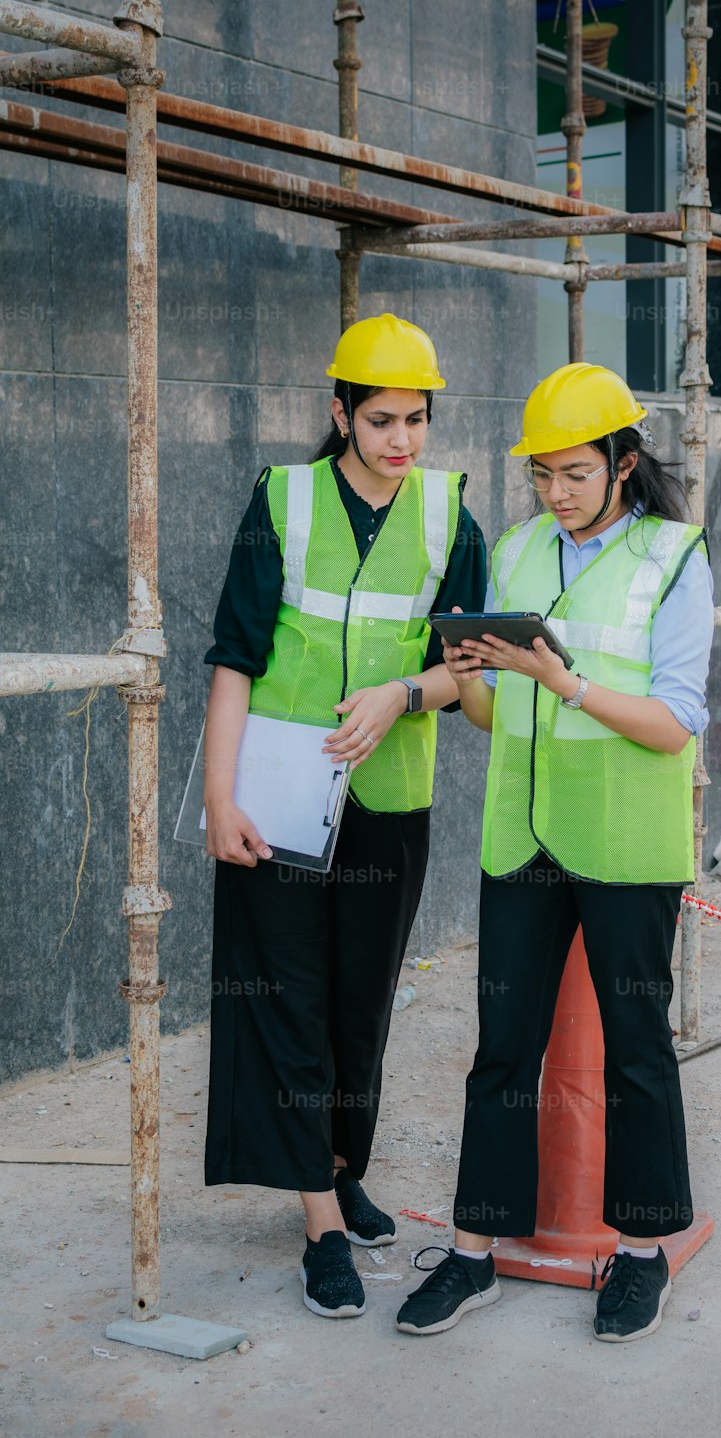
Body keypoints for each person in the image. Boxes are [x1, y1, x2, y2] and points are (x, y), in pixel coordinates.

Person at [396, 362, 714, 1343]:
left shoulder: (675, 555)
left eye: (573, 472)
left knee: (636, 1054)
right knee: (501, 1053)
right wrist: (470, 673)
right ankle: (474, 1250)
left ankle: (644, 1252)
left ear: (624, 463)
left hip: (625, 841)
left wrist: (561, 680)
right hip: (521, 839)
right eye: (540, 475)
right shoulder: (521, 549)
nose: (554, 492)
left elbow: (675, 724)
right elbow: (495, 718)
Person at [202, 313, 487, 1319]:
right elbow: (234, 654)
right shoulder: (280, 501)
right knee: (288, 996)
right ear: (339, 414)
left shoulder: (451, 514)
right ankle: (320, 1220)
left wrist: (403, 695)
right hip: (277, 793)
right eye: (379, 421)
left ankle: (337, 1162)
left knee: (360, 1003)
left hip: (386, 797)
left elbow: (469, 671)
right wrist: (216, 796)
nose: (401, 441)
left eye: (414, 420)